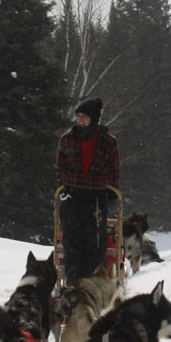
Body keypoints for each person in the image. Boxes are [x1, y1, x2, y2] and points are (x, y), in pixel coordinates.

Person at [56, 97, 120, 285]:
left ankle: (91, 283)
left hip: (97, 195)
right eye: (78, 116)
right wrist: (62, 188)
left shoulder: (108, 141)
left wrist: (112, 192)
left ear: (93, 118)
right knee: (71, 241)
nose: (80, 120)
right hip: (72, 194)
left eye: (84, 116)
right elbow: (60, 166)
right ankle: (73, 284)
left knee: (96, 242)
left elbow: (114, 169)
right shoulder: (66, 139)